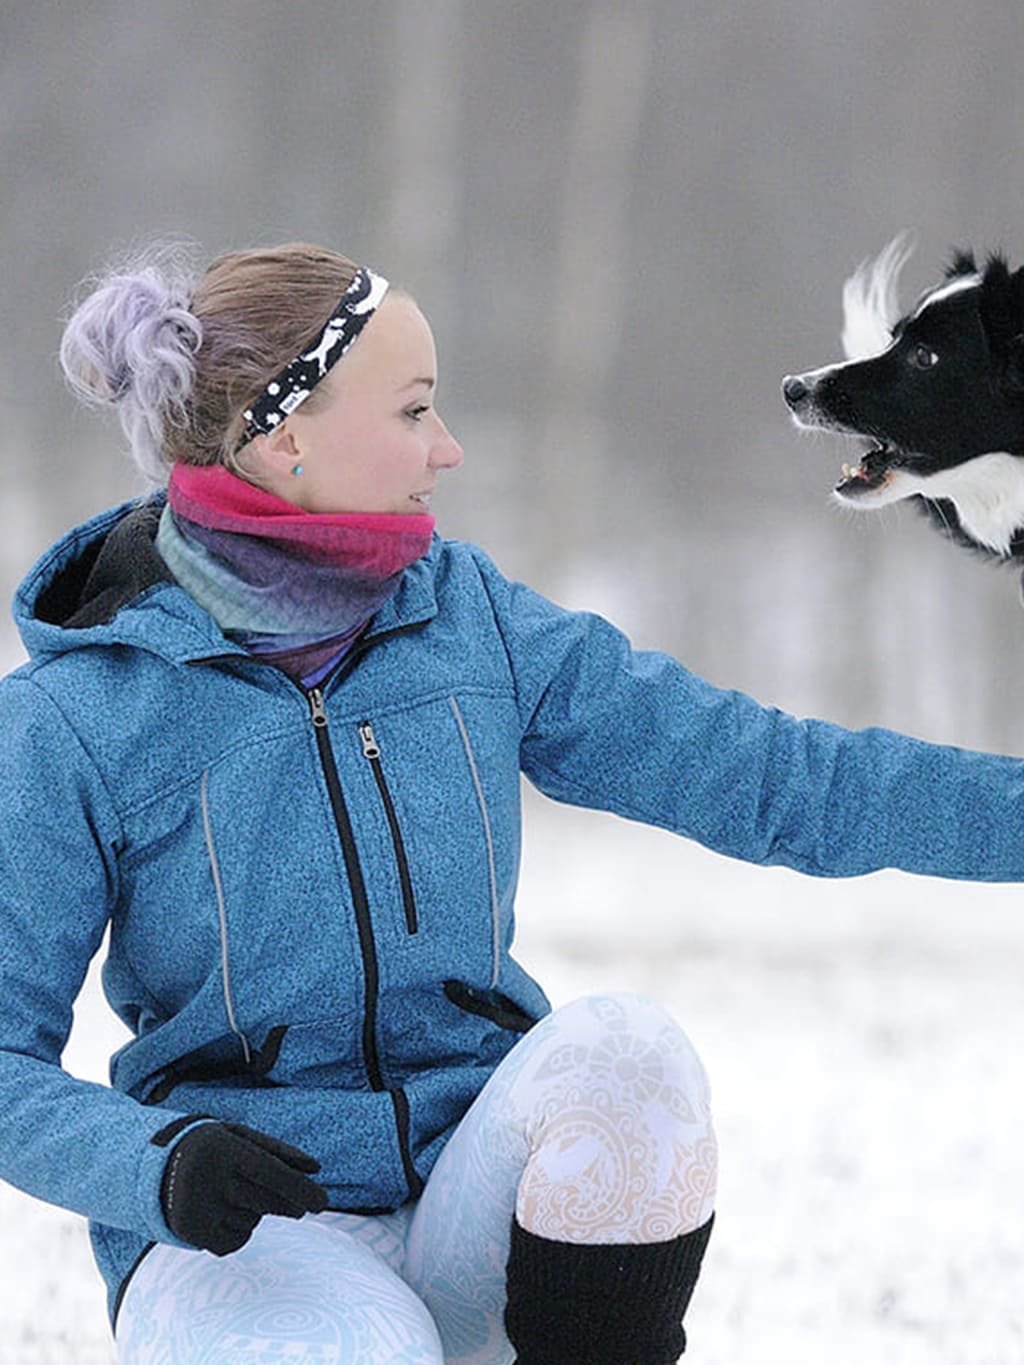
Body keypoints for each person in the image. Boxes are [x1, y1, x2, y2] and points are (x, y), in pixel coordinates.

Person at [2, 241, 1024, 1365]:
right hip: (245, 1237)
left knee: (628, 1055)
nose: (447, 450)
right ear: (283, 433)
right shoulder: (77, 716)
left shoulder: (468, 619)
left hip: (476, 1202)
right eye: (414, 412)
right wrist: (158, 1163)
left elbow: (771, 776)